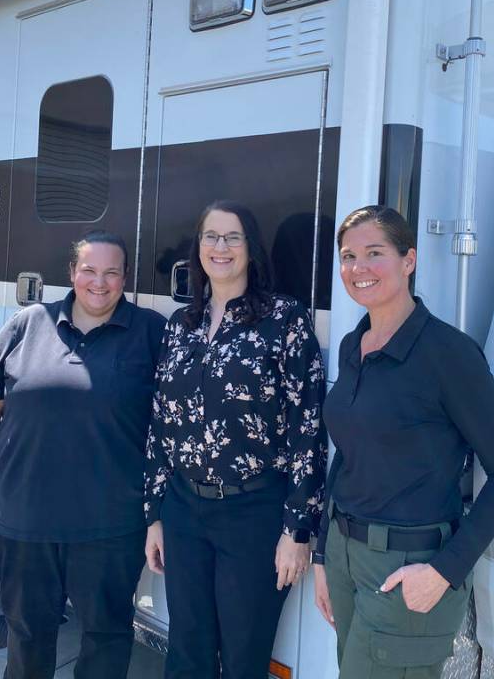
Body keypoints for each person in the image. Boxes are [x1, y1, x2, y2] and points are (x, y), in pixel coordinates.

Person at [311, 205, 494, 679]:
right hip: (349, 558)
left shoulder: (448, 354)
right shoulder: (356, 344)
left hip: (408, 567)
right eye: (348, 256)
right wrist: (325, 554)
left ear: (408, 260)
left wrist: (446, 571)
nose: (358, 269)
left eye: (375, 253)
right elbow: (347, 456)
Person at [0, 231, 166, 679]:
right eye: (89, 270)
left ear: (125, 278)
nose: (100, 282)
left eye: (112, 272)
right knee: (27, 636)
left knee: (106, 639)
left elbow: (172, 423)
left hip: (111, 525)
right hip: (24, 517)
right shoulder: (28, 323)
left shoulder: (151, 332)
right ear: (73, 273)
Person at [143, 200, 327, 679]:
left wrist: (297, 529)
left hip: (255, 514)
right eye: (210, 237)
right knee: (187, 650)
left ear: (251, 249)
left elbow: (308, 426)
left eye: (232, 237)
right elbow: (163, 422)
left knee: (245, 657)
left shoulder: (285, 320)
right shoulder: (180, 327)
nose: (219, 247)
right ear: (197, 248)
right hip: (184, 509)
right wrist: (155, 514)